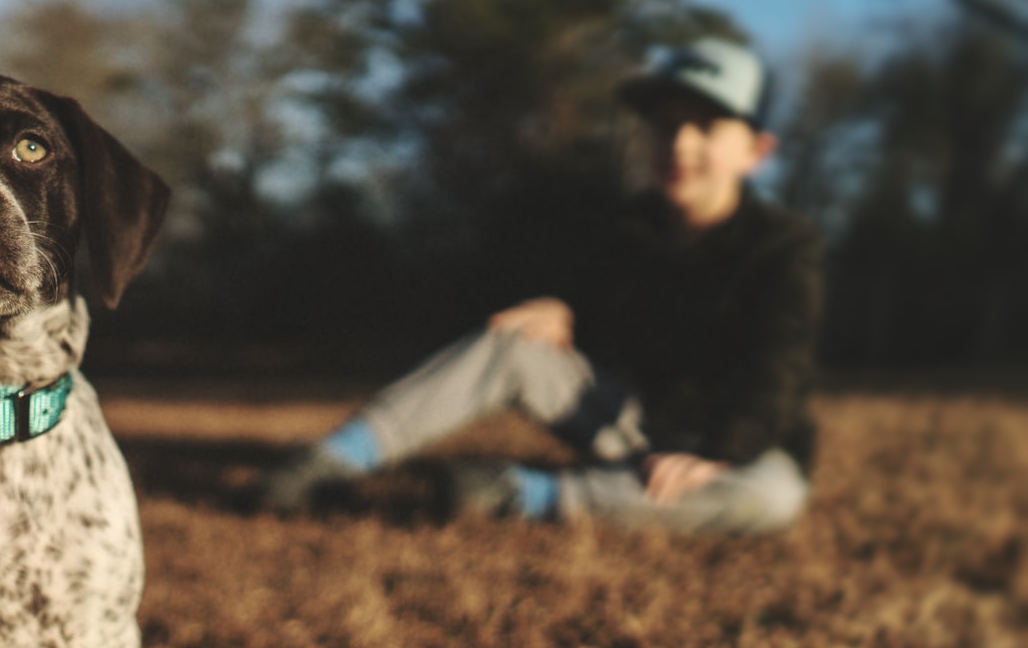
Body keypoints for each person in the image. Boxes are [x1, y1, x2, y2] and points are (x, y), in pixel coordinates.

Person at [263, 37, 823, 534]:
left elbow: (779, 368)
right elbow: (591, 315)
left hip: (740, 447)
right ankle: (332, 462)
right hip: (636, 432)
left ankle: (519, 496)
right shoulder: (629, 231)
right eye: (665, 123)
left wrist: (723, 453)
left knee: (773, 500)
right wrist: (564, 311)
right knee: (515, 339)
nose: (679, 144)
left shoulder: (785, 248)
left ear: (757, 151)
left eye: (706, 125)